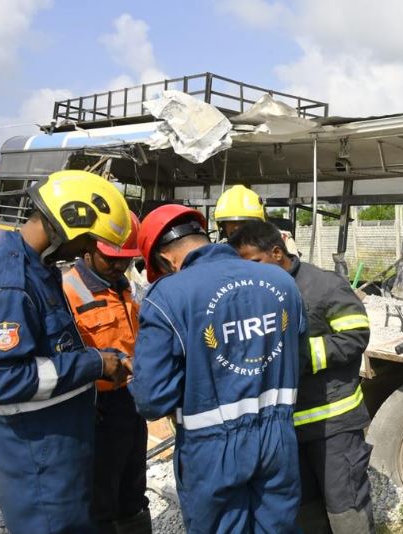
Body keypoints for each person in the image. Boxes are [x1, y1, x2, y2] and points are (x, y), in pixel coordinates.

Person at [130, 205, 306, 533]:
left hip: (211, 448)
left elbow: (152, 400)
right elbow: (295, 351)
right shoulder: (281, 281)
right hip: (278, 438)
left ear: (166, 259)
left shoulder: (167, 295)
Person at [0, 170, 132, 534]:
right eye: (87, 239)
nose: (85, 250)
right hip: (37, 461)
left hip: (57, 451)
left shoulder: (39, 271)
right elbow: (0, 378)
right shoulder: (13, 284)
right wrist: (95, 363)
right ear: (67, 224)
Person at [228, 221, 375, 533]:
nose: (248, 272)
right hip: (285, 428)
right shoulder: (253, 294)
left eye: (254, 262)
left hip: (332, 423)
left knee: (344, 504)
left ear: (277, 252)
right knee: (304, 508)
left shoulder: (323, 285)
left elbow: (356, 335)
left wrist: (299, 357)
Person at [62, 210, 151, 534]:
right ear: (88, 249)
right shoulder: (67, 290)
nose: (118, 266)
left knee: (133, 486)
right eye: (110, 259)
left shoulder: (126, 287)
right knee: (100, 496)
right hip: (96, 407)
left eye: (125, 260)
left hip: (131, 400)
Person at [213, 184, 300, 256]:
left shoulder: (282, 242)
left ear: (258, 223)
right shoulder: (219, 250)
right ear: (222, 225)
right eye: (231, 222)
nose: (237, 227)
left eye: (244, 222)